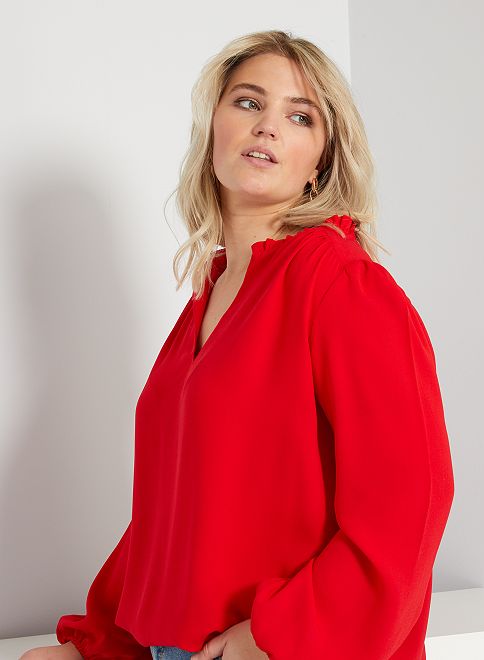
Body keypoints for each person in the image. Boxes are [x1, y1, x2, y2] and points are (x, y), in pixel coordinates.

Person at [22, 29, 454, 660]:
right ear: (212, 130)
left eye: (300, 116)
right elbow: (179, 510)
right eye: (248, 102)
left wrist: (280, 636)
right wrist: (102, 641)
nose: (268, 126)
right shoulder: (215, 292)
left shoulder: (339, 283)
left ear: (321, 161)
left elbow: (409, 501)